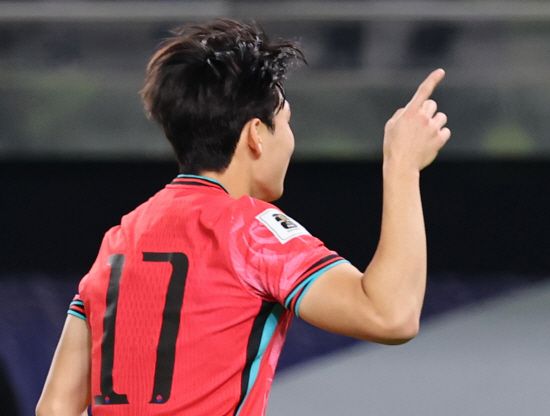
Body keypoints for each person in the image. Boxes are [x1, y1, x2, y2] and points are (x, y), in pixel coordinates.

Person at [36, 19, 450, 416]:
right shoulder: (249, 228)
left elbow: (54, 407)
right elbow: (390, 315)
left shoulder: (119, 240)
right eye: (286, 122)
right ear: (255, 134)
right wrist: (402, 165)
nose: (290, 140)